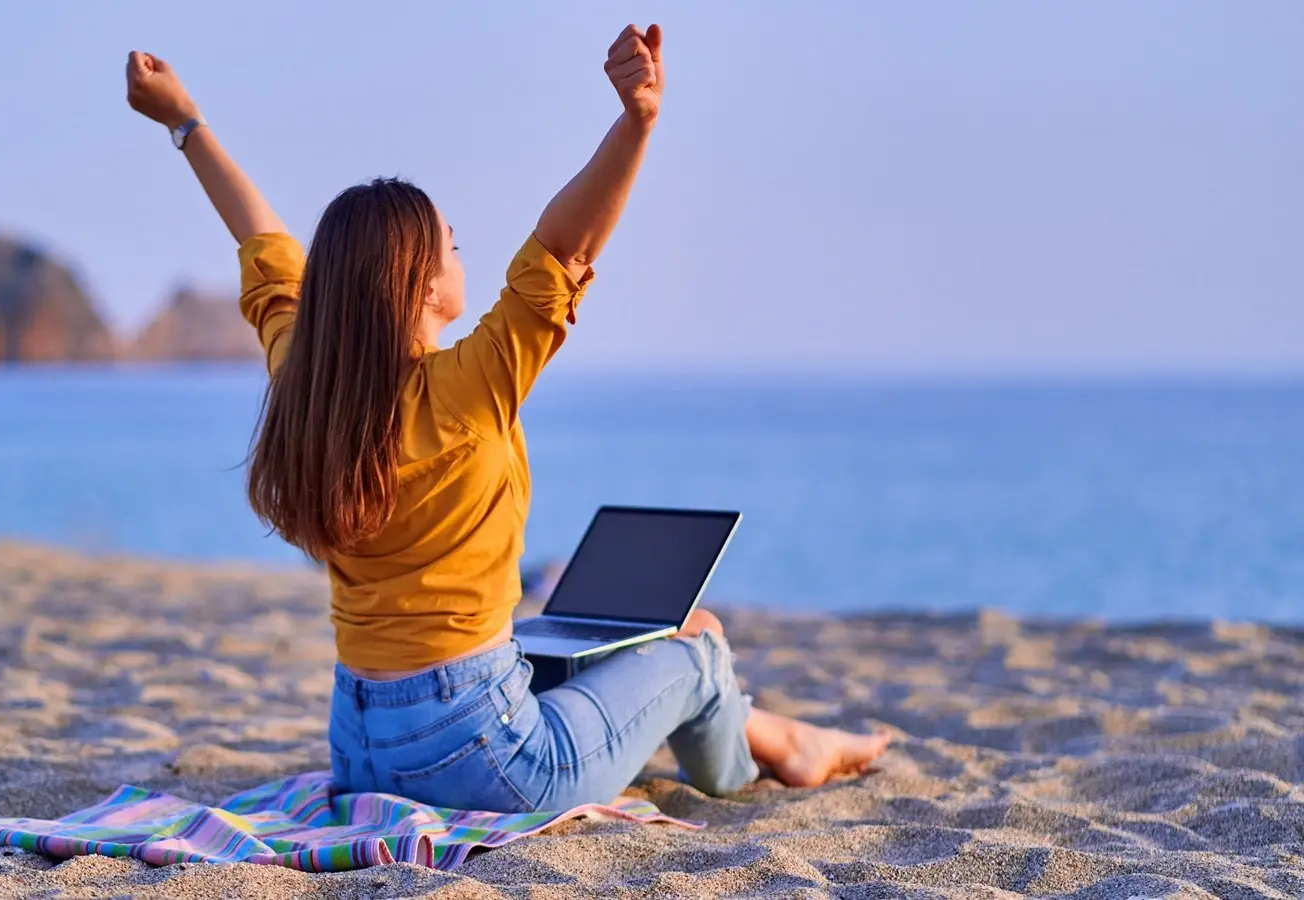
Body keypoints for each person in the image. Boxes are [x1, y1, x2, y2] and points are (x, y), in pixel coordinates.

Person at [124, 24, 888, 812]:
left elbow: (263, 245)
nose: (464, 252)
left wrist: (184, 122)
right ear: (421, 286)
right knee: (697, 646)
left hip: (359, 749)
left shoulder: (305, 383)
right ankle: (773, 756)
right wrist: (637, 121)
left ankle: (772, 731)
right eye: (452, 244)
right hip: (490, 759)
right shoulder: (467, 387)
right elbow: (563, 248)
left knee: (587, 633)